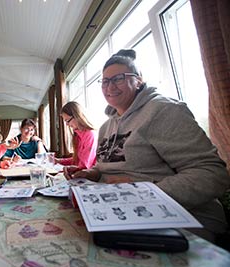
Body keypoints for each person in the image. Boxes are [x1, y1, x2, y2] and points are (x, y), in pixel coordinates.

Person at [65, 49, 230, 243]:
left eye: (118, 78)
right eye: (105, 81)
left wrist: (140, 191)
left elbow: (212, 174)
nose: (109, 86)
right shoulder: (106, 127)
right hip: (120, 212)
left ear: (138, 80)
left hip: (179, 222)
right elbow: (106, 167)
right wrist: (91, 173)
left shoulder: (164, 111)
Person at [56, 101, 98, 170]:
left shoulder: (90, 135)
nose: (66, 124)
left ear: (77, 116)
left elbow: (85, 165)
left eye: (67, 120)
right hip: (81, 174)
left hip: (90, 176)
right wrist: (58, 161)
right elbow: (77, 159)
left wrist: (68, 169)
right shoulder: (77, 135)